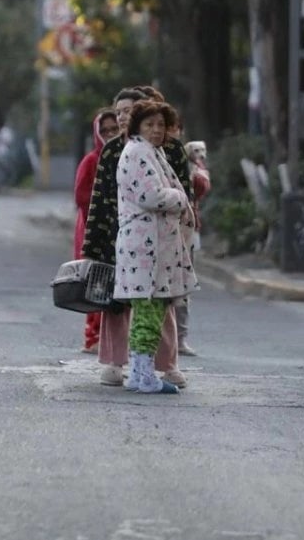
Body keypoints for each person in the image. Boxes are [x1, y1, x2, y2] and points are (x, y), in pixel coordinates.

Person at [81, 87, 185, 388]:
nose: (124, 117)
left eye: (159, 125)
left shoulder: (166, 151)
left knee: (155, 308)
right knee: (134, 306)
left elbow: (183, 189)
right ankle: (130, 368)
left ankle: (159, 367)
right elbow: (102, 199)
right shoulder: (124, 151)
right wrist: (92, 246)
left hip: (159, 242)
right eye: (120, 111)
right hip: (136, 242)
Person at [114, 99, 198, 394]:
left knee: (149, 311)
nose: (156, 130)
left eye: (161, 125)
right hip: (145, 248)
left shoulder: (152, 152)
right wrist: (179, 197)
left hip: (154, 247)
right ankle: (144, 374)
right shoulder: (137, 152)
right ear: (138, 126)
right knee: (149, 309)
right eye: (149, 124)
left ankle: (140, 372)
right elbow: (150, 196)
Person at [74, 108, 118, 354]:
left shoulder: (125, 156)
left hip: (119, 229)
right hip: (92, 228)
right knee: (95, 282)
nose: (110, 134)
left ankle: (112, 338)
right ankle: (93, 336)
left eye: (114, 129)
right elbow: (81, 195)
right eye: (105, 131)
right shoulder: (91, 160)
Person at [179, 138, 211, 356]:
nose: (199, 154)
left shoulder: (198, 169)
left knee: (184, 286)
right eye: (195, 150)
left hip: (191, 227)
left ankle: (180, 338)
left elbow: (201, 189)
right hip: (177, 228)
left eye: (202, 150)